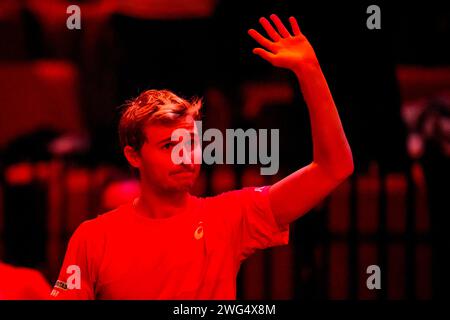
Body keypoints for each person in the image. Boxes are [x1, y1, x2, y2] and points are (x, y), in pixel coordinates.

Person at [51, 14, 353, 299]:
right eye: (169, 146)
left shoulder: (228, 217)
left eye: (191, 143)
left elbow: (333, 167)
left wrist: (310, 71)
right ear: (133, 155)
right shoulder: (93, 239)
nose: (185, 157)